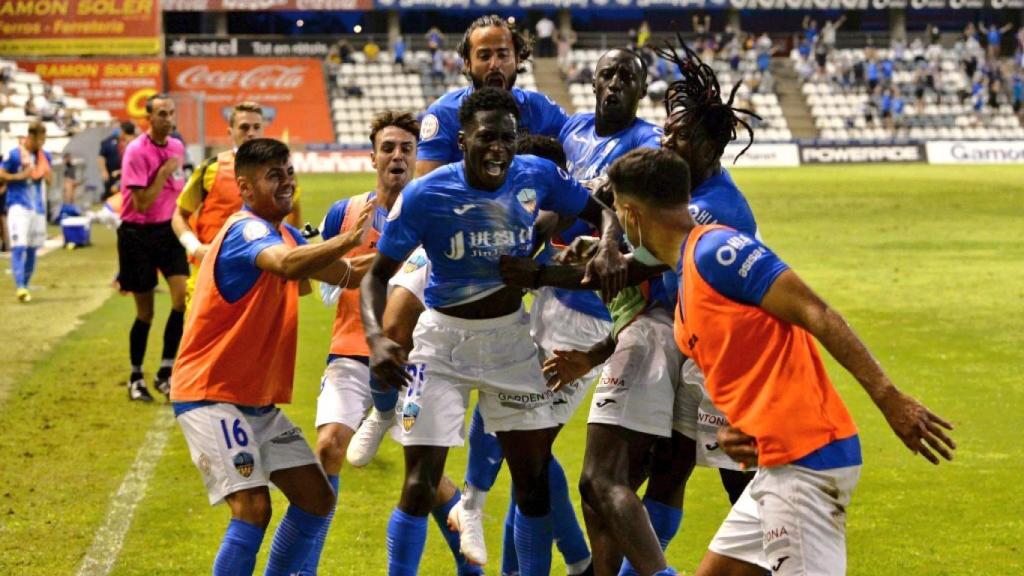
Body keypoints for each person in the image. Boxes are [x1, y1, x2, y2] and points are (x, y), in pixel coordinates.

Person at [592, 145, 957, 575]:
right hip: (774, 467)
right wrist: (732, 428)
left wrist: (889, 397)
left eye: (617, 209)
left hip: (806, 465)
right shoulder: (689, 272)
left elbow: (814, 311)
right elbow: (743, 362)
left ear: (632, 215)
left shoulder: (717, 252)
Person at [359, 88, 626, 576]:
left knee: (533, 481)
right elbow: (378, 275)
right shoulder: (426, 194)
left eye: (507, 137)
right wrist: (376, 337)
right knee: (420, 483)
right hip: (436, 344)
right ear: (463, 140)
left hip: (511, 344)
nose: (498, 147)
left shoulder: (536, 174)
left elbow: (603, 211)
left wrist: (609, 244)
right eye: (487, 137)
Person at [530, 39, 764, 576]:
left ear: (708, 146)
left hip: (724, 359)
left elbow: (628, 272)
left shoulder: (711, 209)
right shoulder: (677, 188)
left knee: (744, 486)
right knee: (666, 471)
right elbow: (653, 292)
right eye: (667, 128)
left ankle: (790, 558)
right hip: (686, 340)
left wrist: (540, 272)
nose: (666, 138)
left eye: (678, 135)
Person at [447, 48, 661, 575]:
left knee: (533, 458)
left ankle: (538, 555)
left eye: (626, 77)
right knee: (511, 429)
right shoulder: (575, 130)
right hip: (547, 299)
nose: (614, 84)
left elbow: (606, 204)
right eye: (607, 73)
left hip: (592, 314)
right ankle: (553, 553)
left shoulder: (646, 144)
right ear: (592, 80)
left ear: (641, 88)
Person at [171, 137, 372, 576]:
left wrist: (408, 252)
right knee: (251, 506)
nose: (286, 183)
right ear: (244, 187)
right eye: (273, 176)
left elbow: (350, 275)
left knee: (316, 497)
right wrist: (345, 240)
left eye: (289, 172)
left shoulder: (284, 232)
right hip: (211, 395)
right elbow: (286, 264)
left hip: (254, 403)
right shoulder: (246, 230)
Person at [297, 111, 481, 576]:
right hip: (352, 350)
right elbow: (324, 289)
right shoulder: (345, 210)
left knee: (428, 477)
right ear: (373, 155)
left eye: (406, 148)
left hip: (414, 360)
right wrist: (349, 249)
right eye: (388, 148)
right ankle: (303, 567)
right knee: (328, 449)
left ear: (417, 156)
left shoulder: (436, 211)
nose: (397, 155)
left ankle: (472, 568)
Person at [172, 102, 303, 312]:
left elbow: (292, 212)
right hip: (211, 275)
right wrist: (195, 248)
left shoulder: (281, 170)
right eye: (244, 127)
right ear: (230, 131)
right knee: (204, 343)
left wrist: (292, 254)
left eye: (256, 127)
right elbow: (179, 214)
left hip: (262, 277)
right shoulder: (211, 168)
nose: (251, 133)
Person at [415, 14, 569, 177]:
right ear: (467, 63)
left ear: (517, 59)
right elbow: (428, 190)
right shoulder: (443, 113)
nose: (495, 65)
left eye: (503, 55)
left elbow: (580, 142)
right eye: (484, 56)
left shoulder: (541, 108)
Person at [118, 93, 189, 402]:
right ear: (149, 118)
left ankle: (165, 372)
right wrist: (162, 172)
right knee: (145, 313)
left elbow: (178, 190)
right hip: (137, 234)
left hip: (167, 231)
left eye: (171, 113)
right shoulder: (136, 151)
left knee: (181, 300)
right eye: (162, 114)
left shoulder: (177, 146)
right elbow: (143, 204)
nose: (168, 119)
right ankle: (136, 376)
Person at [0, 121, 51, 302]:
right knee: (18, 246)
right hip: (18, 205)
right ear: (32, 138)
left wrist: (43, 169)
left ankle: (25, 285)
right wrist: (18, 176)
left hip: (37, 207)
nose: (42, 144)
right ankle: (20, 286)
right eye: (41, 140)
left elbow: (50, 180)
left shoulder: (44, 156)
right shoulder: (14, 155)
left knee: (32, 248)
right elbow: (1, 174)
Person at [98, 121, 136, 200]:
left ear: (123, 131)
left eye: (120, 130)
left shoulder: (133, 145)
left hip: (132, 180)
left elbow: (135, 165)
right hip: (124, 176)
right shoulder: (129, 144)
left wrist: (120, 173)